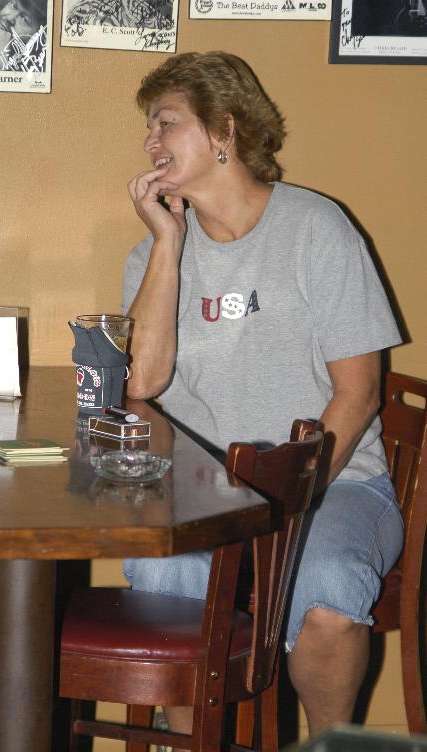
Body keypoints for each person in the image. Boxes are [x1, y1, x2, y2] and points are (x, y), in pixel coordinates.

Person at [121, 51, 404, 741]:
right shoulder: (151, 257)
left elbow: (359, 394)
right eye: (149, 127)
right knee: (165, 584)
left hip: (332, 484)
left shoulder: (316, 229)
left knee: (328, 594)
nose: (151, 141)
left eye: (166, 122)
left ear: (224, 128)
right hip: (201, 494)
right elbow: (143, 384)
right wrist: (167, 242)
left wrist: (283, 502)